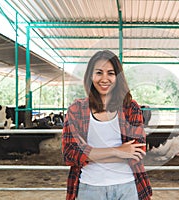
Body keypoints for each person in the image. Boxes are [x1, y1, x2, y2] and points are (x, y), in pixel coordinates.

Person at [62, 50, 152, 200]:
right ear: (90, 76)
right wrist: (119, 151)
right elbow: (70, 155)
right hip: (90, 187)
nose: (104, 79)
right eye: (99, 73)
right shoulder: (76, 109)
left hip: (127, 185)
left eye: (111, 73)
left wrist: (88, 153)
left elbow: (138, 153)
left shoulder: (131, 108)